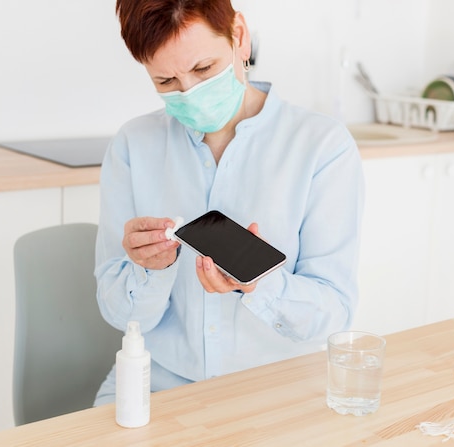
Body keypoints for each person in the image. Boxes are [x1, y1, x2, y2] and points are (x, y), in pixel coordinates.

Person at [94, 0, 364, 405]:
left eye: (203, 69)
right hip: (156, 383)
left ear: (240, 36)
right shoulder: (134, 145)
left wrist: (260, 283)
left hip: (275, 394)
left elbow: (333, 312)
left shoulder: (322, 147)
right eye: (166, 81)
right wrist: (150, 271)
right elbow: (120, 315)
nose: (190, 94)